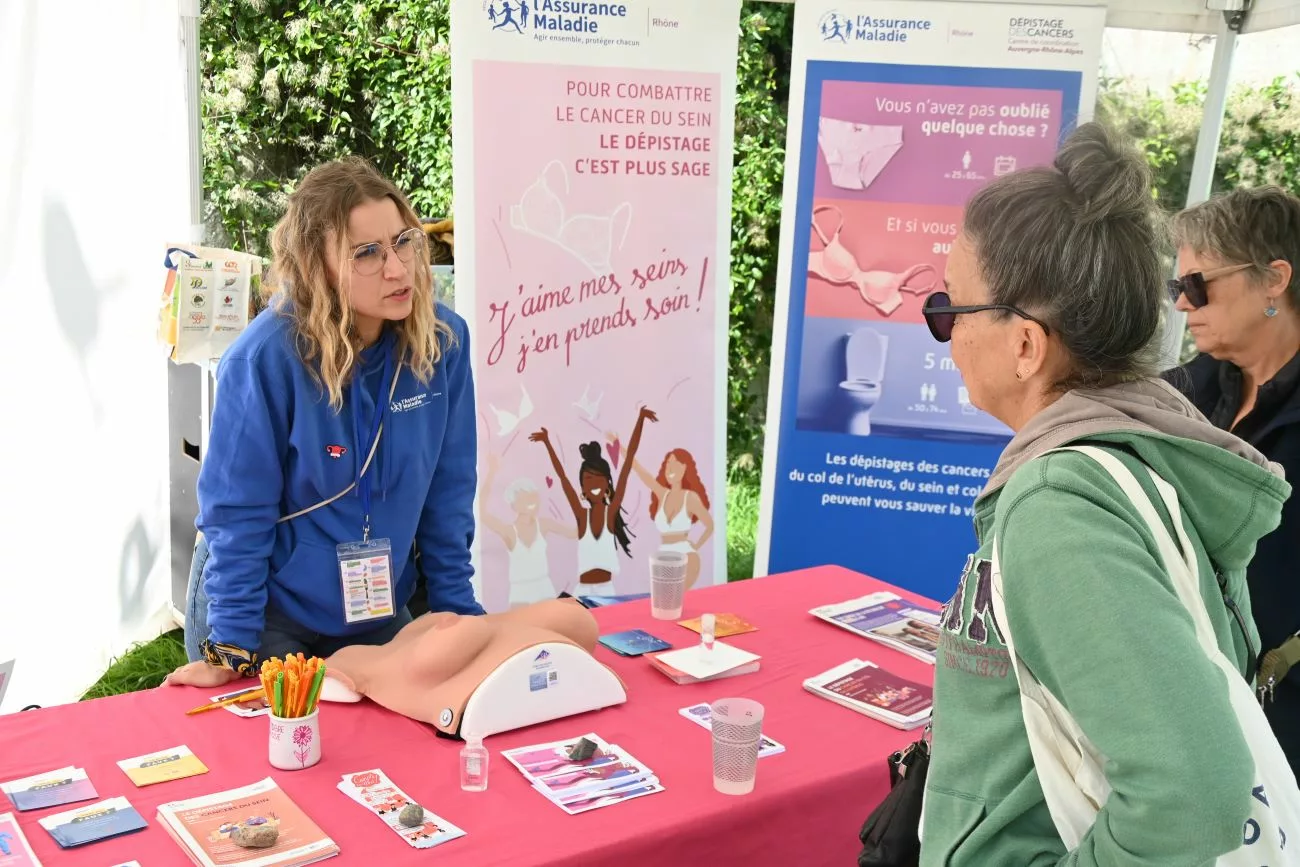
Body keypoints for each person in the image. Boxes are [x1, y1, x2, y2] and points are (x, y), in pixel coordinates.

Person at [916, 122, 1292, 865]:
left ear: (1025, 344)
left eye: (949, 311)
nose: (947, 337)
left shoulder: (1061, 506)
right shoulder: (1139, 445)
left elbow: (1193, 790)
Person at [167, 156, 483, 690]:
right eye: (367, 253)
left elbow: (448, 492)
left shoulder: (442, 342)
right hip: (262, 611)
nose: (397, 268)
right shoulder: (265, 358)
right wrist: (233, 646)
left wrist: (455, 614)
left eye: (403, 241)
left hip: (373, 610)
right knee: (280, 755)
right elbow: (238, 514)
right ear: (319, 265)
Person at [1162, 185, 1300, 772]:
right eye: (1177, 287)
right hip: (1179, 700)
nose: (1182, 305)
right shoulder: (1176, 396)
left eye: (1196, 284)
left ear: (1274, 279)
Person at [529, 407, 656, 596]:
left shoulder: (611, 512)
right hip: (582, 593)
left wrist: (640, 420)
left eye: (599, 479)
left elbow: (628, 462)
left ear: (607, 485)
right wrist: (547, 443)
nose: (594, 484)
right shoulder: (582, 515)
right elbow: (562, 477)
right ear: (582, 489)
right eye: (588, 480)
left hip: (607, 591)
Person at [479, 452, 575, 608]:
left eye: (534, 497)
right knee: (521, 630)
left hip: (544, 589)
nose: (532, 502)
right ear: (514, 505)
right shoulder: (509, 531)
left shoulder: (544, 524)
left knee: (550, 628)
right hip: (520, 591)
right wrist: (491, 473)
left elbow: (573, 533)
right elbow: (482, 512)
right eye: (526, 498)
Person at [616, 443, 715, 589]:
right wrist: (618, 446)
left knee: (678, 600)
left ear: (685, 467)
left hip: (686, 556)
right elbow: (638, 469)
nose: (670, 468)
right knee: (665, 603)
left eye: (675, 463)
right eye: (668, 463)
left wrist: (696, 545)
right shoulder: (662, 494)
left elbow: (710, 525)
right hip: (663, 557)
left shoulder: (690, 497)